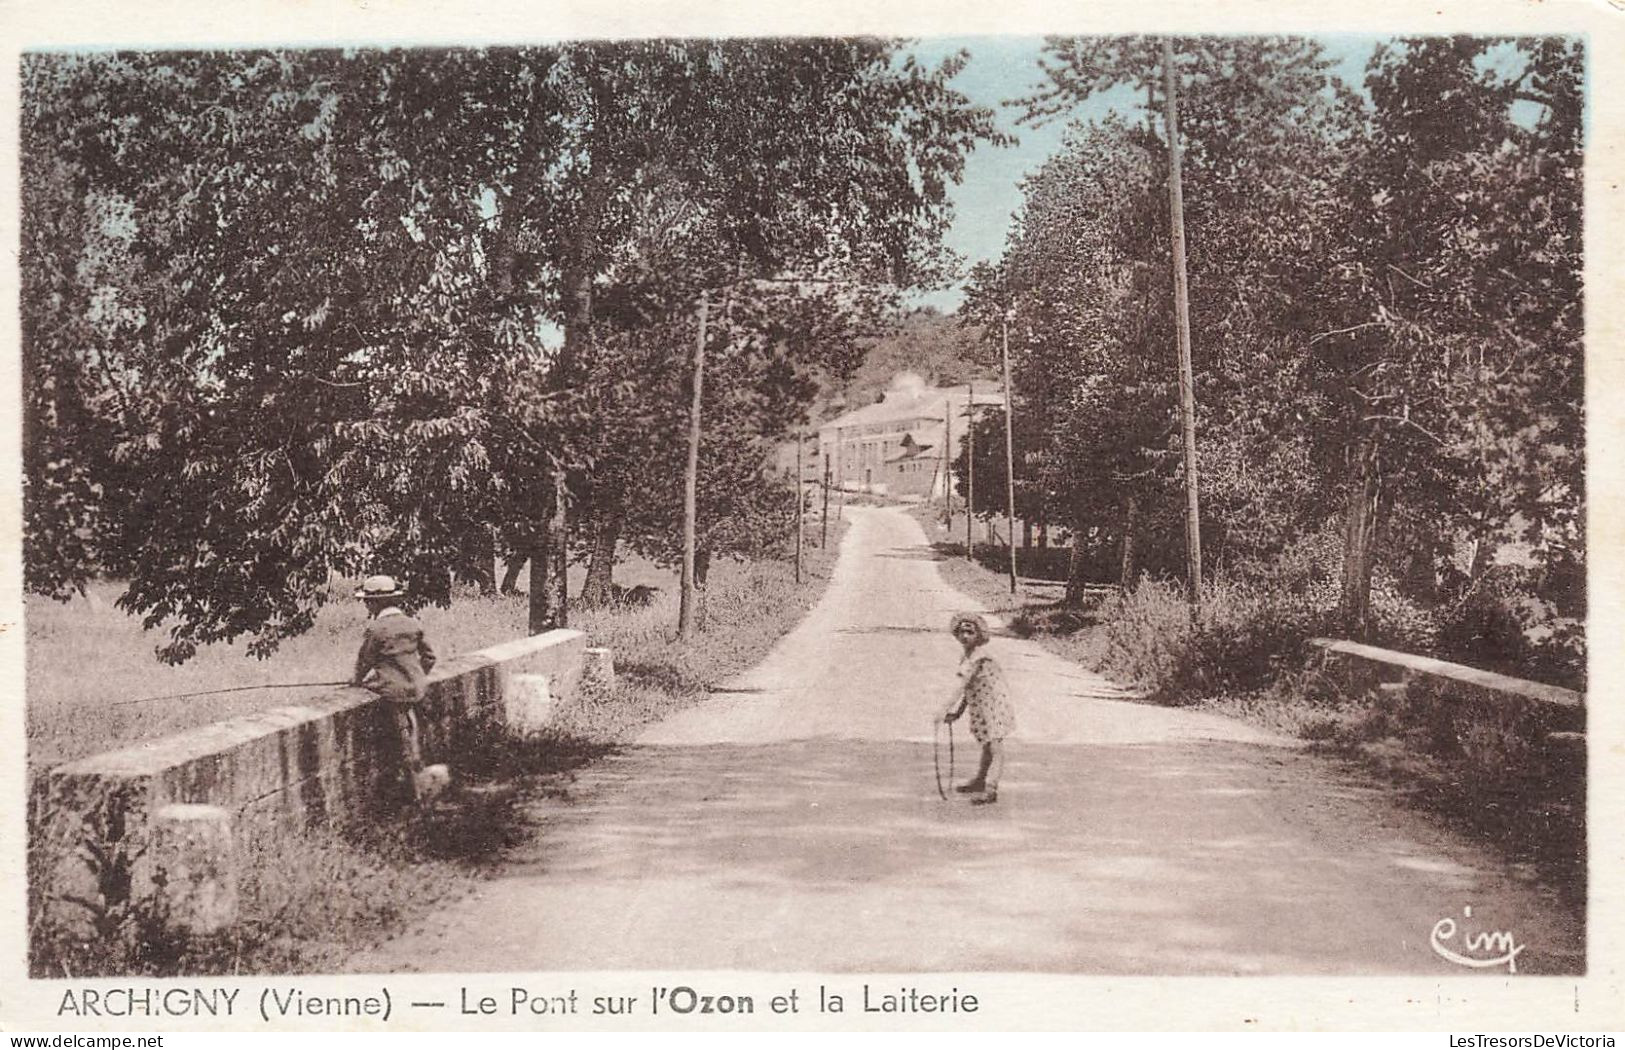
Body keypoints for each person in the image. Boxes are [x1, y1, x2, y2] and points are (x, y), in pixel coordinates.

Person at [352, 574, 438, 802]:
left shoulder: (376, 629)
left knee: (403, 742)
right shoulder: (412, 623)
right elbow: (430, 657)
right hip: (418, 690)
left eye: (367, 601)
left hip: (394, 694)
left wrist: (357, 682)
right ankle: (423, 786)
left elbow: (365, 661)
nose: (366, 605)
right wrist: (417, 675)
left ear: (375, 603)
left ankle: (415, 795)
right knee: (418, 736)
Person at [941, 612, 1015, 805]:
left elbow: (961, 684)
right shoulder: (967, 656)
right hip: (980, 704)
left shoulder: (978, 657)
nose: (965, 636)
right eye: (962, 632)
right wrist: (957, 712)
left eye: (970, 632)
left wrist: (944, 708)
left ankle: (991, 788)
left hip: (994, 704)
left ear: (979, 635)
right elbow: (969, 688)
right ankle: (980, 780)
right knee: (986, 744)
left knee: (995, 746)